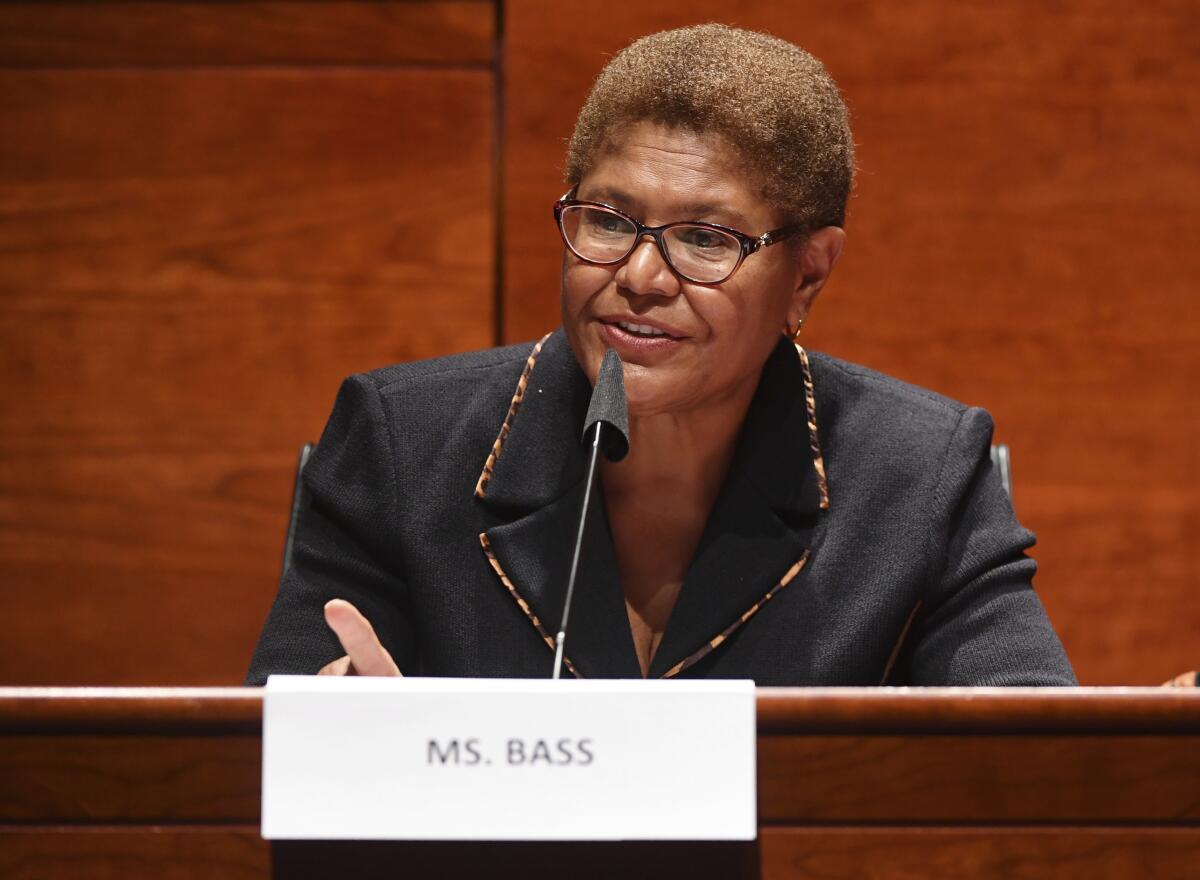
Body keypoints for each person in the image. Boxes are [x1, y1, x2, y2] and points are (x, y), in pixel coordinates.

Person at [247, 24, 1075, 687]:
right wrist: (349, 749)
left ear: (808, 273)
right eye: (608, 220)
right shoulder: (403, 447)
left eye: (705, 238)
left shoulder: (918, 476)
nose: (639, 277)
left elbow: (1022, 756)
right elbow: (259, 770)